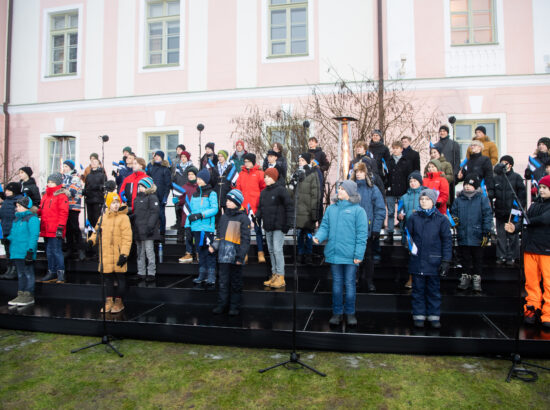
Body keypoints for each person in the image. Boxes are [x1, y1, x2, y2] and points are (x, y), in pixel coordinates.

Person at [313, 180, 367, 327]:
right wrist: (319, 236)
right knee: (337, 284)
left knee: (349, 284)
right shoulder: (331, 209)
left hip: (350, 256)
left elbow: (362, 235)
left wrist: (358, 255)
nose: (339, 191)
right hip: (334, 253)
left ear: (350, 192)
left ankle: (350, 313)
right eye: (339, 188)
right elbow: (325, 226)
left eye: (342, 189)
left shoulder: (358, 211)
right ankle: (337, 312)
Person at [505, 175, 550, 328]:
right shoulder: (534, 205)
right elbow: (525, 221)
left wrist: (527, 221)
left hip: (546, 250)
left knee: (549, 284)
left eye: (545, 188)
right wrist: (514, 229)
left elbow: (544, 219)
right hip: (530, 249)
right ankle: (532, 309)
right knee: (531, 283)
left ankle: (548, 315)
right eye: (541, 187)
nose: (541, 190)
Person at [406, 189, 452, 328]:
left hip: (434, 262)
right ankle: (418, 315)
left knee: (433, 291)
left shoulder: (441, 219)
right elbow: (408, 235)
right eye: (421, 199)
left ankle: (434, 316)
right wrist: (412, 249)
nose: (423, 201)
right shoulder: (414, 218)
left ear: (433, 201)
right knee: (418, 290)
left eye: (426, 199)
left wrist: (446, 260)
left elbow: (447, 241)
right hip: (418, 261)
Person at [88, 192, 132, 313]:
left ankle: (119, 301)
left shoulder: (124, 218)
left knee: (120, 278)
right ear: (108, 204)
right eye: (113, 203)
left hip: (118, 254)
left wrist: (124, 254)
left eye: (117, 202)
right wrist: (91, 242)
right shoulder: (102, 217)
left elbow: (127, 238)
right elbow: (96, 232)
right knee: (107, 279)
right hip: (106, 253)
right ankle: (109, 301)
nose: (116, 205)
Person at [210, 189, 251, 316]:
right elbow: (219, 235)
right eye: (227, 200)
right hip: (223, 257)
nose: (226, 202)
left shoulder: (243, 218)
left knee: (235, 283)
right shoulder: (224, 217)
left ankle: (234, 306)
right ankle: (222, 304)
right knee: (222, 282)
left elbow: (245, 240)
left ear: (236, 202)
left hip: (235, 258)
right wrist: (214, 246)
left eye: (229, 200)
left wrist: (241, 256)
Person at [451, 175, 493, 292]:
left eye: (470, 185)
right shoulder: (458, 199)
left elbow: (487, 216)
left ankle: (476, 279)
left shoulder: (482, 199)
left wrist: (486, 232)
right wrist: (454, 220)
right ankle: (465, 277)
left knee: (477, 258)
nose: (468, 187)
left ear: (475, 187)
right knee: (465, 258)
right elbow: (453, 213)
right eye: (466, 185)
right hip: (463, 233)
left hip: (477, 234)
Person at [257, 167, 293, 289]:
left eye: (268, 177)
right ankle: (274, 274)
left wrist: (288, 224)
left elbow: (289, 207)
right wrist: (256, 217)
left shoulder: (281, 190)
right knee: (271, 250)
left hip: (279, 226)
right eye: (265, 177)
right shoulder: (263, 192)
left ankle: (281, 276)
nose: (265, 179)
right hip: (268, 226)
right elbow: (260, 208)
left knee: (277, 250)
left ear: (274, 177)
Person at [351, 162, 385, 292]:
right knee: (352, 256)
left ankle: (369, 280)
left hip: (367, 229)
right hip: (351, 229)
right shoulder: (350, 189)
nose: (358, 174)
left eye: (361, 171)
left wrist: (376, 228)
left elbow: (380, 210)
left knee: (368, 256)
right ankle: (354, 279)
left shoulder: (373, 189)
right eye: (357, 171)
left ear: (365, 173)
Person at [186, 169, 218, 288]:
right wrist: (188, 226)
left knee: (208, 251)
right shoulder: (194, 194)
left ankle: (211, 275)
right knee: (200, 251)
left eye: (199, 179)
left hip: (207, 227)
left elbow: (214, 209)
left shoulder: (211, 193)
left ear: (205, 180)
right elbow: (191, 211)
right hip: (196, 228)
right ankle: (202, 274)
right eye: (197, 179)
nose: (197, 181)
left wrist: (201, 215)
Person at [6, 197, 40, 306]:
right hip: (17, 251)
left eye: (20, 206)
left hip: (26, 251)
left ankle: (28, 294)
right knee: (20, 274)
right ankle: (21, 293)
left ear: (26, 207)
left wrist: (30, 251)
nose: (17, 208)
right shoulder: (16, 219)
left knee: (28, 273)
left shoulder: (32, 219)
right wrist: (8, 239)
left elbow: (33, 236)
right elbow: (14, 233)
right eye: (17, 206)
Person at [493, 156, 526, 265]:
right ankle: (501, 255)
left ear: (510, 165)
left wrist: (519, 208)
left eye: (505, 163)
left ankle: (512, 256)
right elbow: (492, 192)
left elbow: (522, 194)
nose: (502, 165)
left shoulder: (516, 177)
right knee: (501, 235)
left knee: (513, 235)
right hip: (500, 210)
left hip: (513, 211)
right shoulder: (496, 177)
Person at [38, 173, 69, 284]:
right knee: (49, 252)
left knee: (56, 251)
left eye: (52, 182)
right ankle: (51, 271)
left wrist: (60, 227)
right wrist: (33, 211)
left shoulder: (61, 196)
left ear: (57, 184)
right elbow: (41, 210)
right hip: (46, 228)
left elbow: (63, 213)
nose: (49, 184)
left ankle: (61, 273)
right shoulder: (46, 196)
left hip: (55, 228)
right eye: (49, 182)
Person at [235, 153, 266, 263]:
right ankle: (245, 253)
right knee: (244, 232)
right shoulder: (241, 175)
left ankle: (260, 253)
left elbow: (264, 189)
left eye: (248, 161)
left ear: (253, 162)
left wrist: (260, 203)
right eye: (245, 161)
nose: (246, 163)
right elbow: (237, 189)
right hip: (244, 207)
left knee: (258, 231)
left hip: (256, 207)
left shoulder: (259, 174)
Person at [398, 172, 424, 288]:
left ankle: (422, 279)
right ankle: (411, 279)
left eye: (415, 181)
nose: (413, 183)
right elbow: (400, 210)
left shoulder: (425, 194)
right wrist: (400, 216)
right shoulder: (404, 197)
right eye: (411, 181)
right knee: (411, 256)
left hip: (422, 232)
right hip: (409, 232)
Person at [133, 177, 160, 282]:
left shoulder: (152, 197)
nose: (140, 188)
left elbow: (155, 213)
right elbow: (136, 213)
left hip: (148, 229)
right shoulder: (137, 198)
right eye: (139, 186)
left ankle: (151, 272)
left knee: (149, 251)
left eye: (142, 186)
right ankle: (141, 272)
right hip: (138, 229)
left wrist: (150, 226)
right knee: (140, 252)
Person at [294, 153, 320, 265]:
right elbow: (292, 192)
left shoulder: (313, 174)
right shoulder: (296, 174)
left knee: (308, 234)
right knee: (299, 234)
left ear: (308, 162)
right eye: (299, 160)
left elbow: (316, 194)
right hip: (299, 210)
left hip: (308, 211)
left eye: (303, 160)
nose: (300, 162)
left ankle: (309, 254)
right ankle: (300, 253)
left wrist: (314, 213)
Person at [385, 140, 412, 244]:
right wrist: (386, 185)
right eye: (394, 148)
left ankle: (403, 233)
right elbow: (385, 175)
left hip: (402, 191)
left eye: (397, 148)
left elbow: (408, 176)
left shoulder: (406, 161)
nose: (395, 150)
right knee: (391, 212)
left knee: (401, 213)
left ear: (401, 149)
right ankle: (390, 233)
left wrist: (407, 189)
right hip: (390, 191)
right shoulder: (388, 161)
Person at [62, 160, 85, 261]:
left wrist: (62, 191)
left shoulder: (75, 178)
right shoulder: (63, 178)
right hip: (64, 207)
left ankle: (80, 250)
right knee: (67, 228)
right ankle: (70, 249)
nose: (64, 168)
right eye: (64, 166)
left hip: (73, 206)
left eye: (66, 166)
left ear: (71, 167)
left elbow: (71, 192)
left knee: (75, 228)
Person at [0, 182, 23, 279]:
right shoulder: (5, 201)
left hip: (14, 230)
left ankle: (14, 270)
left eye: (9, 190)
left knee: (14, 251)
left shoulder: (18, 201)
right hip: (5, 229)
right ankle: (9, 269)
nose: (7, 192)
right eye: (6, 190)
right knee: (8, 250)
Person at [146, 150, 171, 236]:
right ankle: (154, 232)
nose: (156, 157)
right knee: (152, 215)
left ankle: (162, 232)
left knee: (161, 214)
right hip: (152, 195)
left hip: (161, 196)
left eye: (158, 156)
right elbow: (147, 179)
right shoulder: (151, 168)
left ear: (162, 157)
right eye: (155, 156)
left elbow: (168, 185)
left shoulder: (165, 169)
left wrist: (165, 197)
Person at [177, 167, 199, 264]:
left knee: (197, 236)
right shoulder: (184, 187)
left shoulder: (199, 186)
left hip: (197, 216)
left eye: (192, 174)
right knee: (189, 236)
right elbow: (181, 200)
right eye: (189, 174)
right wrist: (177, 201)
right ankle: (189, 253)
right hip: (187, 216)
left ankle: (198, 253)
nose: (190, 176)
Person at [172, 150, 193, 241]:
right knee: (179, 215)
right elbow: (174, 181)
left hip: (188, 194)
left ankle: (189, 236)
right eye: (182, 157)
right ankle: (180, 235)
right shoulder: (177, 169)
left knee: (188, 214)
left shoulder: (191, 168)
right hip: (178, 195)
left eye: (185, 157)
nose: (183, 159)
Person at [83, 153, 106, 228]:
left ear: (99, 164)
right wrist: (84, 191)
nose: (93, 163)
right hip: (89, 199)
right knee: (90, 218)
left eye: (95, 162)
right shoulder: (89, 175)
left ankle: (97, 235)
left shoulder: (102, 174)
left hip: (98, 199)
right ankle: (90, 235)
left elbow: (104, 186)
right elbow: (86, 186)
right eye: (92, 162)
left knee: (97, 218)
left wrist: (97, 187)